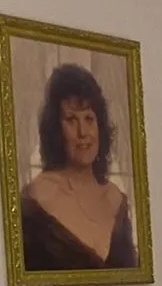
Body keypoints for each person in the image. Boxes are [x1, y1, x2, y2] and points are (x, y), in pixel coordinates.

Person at [18, 64, 137, 270]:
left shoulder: (116, 199)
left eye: (89, 119)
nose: (83, 132)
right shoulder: (37, 198)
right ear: (56, 129)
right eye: (71, 119)